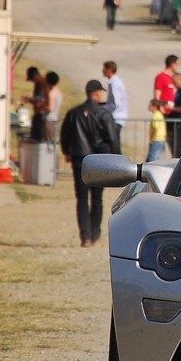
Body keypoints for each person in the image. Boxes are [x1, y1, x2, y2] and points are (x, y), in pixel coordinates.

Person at [59, 80, 120, 247]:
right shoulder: (103, 114)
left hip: (79, 157)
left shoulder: (73, 113)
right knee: (97, 197)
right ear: (98, 94)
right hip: (99, 160)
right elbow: (113, 138)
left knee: (81, 197)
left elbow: (65, 135)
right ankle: (95, 232)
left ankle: (84, 234)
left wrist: (67, 151)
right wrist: (117, 157)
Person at [101, 61, 128, 137]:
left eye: (104, 69)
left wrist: (102, 109)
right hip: (116, 117)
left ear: (109, 70)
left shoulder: (115, 83)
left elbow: (116, 103)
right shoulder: (114, 82)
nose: (102, 71)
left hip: (116, 118)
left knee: (113, 144)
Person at [23, 66, 50, 142]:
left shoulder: (40, 83)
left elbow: (39, 99)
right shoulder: (43, 82)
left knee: (37, 139)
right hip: (43, 114)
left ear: (34, 76)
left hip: (40, 114)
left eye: (31, 79)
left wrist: (29, 99)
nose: (32, 81)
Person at [43, 71, 63, 142]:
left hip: (49, 120)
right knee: (53, 141)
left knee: (49, 142)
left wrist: (42, 105)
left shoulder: (51, 93)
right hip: (55, 119)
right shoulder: (59, 92)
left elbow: (50, 108)